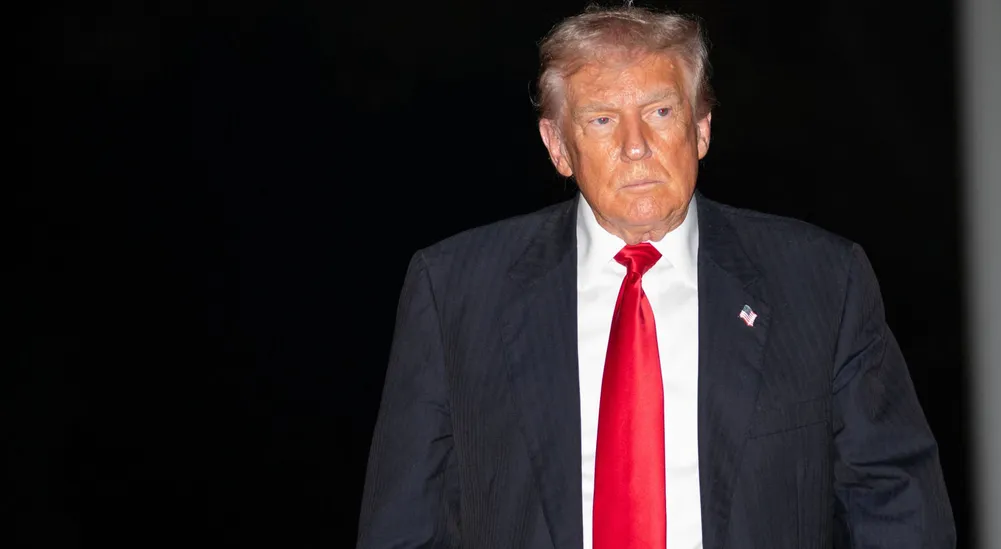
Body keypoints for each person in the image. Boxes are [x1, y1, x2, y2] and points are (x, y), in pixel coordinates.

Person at [355, 5, 954, 549]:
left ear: (702, 128)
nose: (636, 146)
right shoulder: (455, 292)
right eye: (601, 120)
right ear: (558, 146)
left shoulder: (820, 282)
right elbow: (404, 527)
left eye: (660, 112)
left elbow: (900, 513)